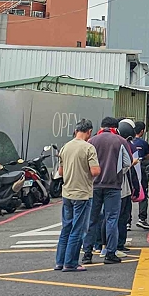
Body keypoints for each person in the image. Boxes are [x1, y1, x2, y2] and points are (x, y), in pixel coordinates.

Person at [81, 117, 131, 265]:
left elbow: (85, 163)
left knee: (92, 220)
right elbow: (127, 163)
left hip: (94, 186)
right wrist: (117, 172)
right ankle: (110, 253)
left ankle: (87, 254)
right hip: (113, 186)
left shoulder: (91, 141)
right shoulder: (121, 141)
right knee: (112, 219)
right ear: (115, 128)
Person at [55, 119, 100, 273]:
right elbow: (95, 171)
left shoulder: (65, 147)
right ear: (89, 132)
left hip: (67, 193)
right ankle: (71, 263)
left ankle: (59, 262)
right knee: (78, 229)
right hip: (82, 194)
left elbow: (60, 172)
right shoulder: (89, 148)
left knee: (66, 227)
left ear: (76, 131)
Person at [115, 120, 137, 254]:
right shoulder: (122, 145)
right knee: (120, 217)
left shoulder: (96, 142)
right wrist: (132, 163)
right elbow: (124, 166)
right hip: (120, 188)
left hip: (114, 187)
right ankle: (117, 244)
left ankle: (103, 244)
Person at [131, 121, 149, 230]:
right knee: (143, 193)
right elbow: (148, 156)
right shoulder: (143, 143)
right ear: (142, 131)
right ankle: (142, 219)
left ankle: (127, 222)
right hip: (140, 171)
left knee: (128, 196)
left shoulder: (128, 142)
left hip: (129, 171)